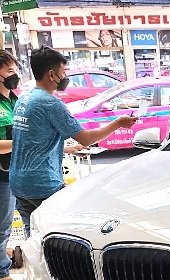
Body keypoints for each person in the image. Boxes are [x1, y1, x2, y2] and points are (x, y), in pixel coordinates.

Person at [9, 47, 137, 237]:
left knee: (33, 234)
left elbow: (32, 141)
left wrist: (67, 148)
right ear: (52, 74)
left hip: (19, 182)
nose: (65, 77)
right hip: (42, 184)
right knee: (55, 236)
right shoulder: (50, 103)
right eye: (63, 72)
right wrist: (118, 123)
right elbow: (85, 138)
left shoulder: (24, 99)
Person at [0, 50, 21, 280]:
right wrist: (20, 143)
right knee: (3, 225)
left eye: (15, 70)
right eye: (9, 71)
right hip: (2, 174)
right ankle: (2, 274)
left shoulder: (16, 100)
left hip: (17, 171)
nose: (14, 75)